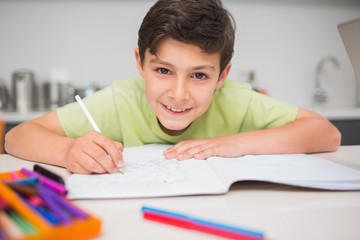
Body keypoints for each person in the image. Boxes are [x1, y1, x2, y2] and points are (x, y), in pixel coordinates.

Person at [5, 0, 341, 174]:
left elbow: (326, 134)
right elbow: (16, 137)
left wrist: (232, 143)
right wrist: (68, 151)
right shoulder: (120, 100)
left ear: (223, 76)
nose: (178, 94)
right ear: (140, 62)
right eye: (164, 70)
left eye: (199, 76)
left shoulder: (238, 100)